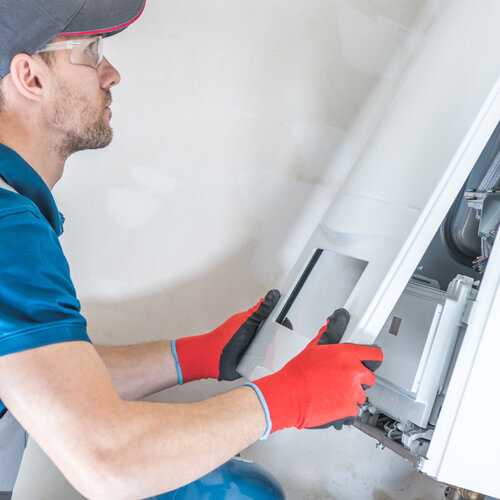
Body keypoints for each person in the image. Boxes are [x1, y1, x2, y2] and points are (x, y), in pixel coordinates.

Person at [0, 1, 383, 499]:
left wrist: (193, 356)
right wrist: (283, 400)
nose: (112, 74)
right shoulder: (10, 230)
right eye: (91, 54)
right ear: (30, 77)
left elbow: (41, 379)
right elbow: (108, 461)